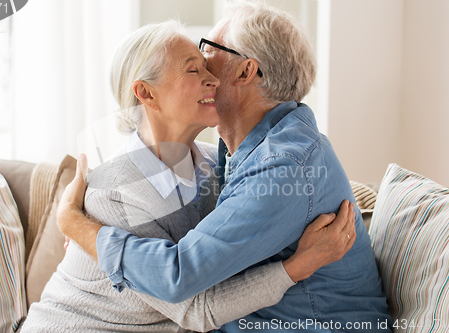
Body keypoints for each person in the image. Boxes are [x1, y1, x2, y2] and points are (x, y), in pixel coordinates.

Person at [59, 1, 393, 332]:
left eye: (207, 50)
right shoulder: (240, 151)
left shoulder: (280, 166)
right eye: (193, 65)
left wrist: (74, 223)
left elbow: (180, 276)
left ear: (245, 71)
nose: (204, 64)